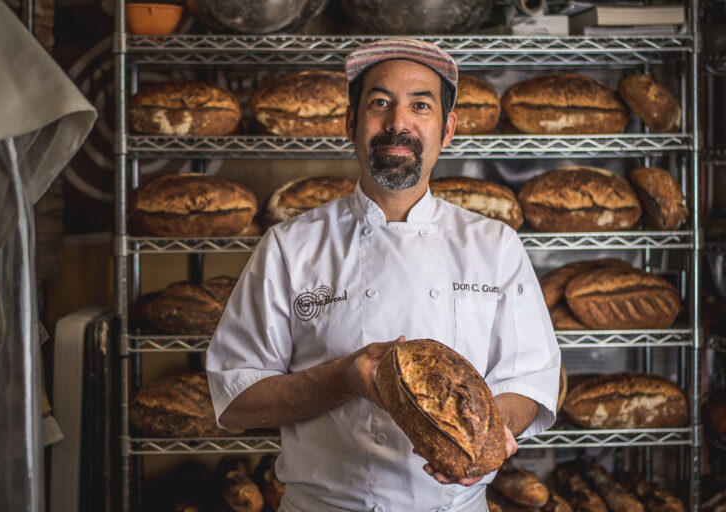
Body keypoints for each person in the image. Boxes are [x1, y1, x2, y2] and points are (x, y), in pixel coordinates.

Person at [206, 38, 561, 512]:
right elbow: (235, 398)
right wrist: (342, 379)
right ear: (350, 123)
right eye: (379, 103)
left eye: (420, 105)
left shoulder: (494, 246)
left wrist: (485, 432)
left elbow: (531, 381)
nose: (398, 122)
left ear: (447, 129)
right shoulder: (290, 246)